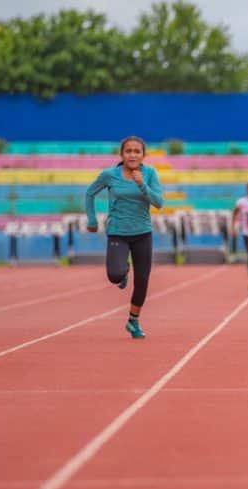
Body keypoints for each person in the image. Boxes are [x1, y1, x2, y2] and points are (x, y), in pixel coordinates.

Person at [85, 136, 164, 339]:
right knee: (115, 275)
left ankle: (133, 320)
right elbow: (90, 193)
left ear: (143, 155)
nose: (132, 155)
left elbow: (159, 203)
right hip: (118, 232)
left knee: (142, 281)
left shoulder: (150, 173)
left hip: (143, 233)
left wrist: (142, 185)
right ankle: (123, 270)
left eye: (137, 151)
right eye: (128, 151)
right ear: (121, 155)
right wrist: (92, 220)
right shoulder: (109, 175)